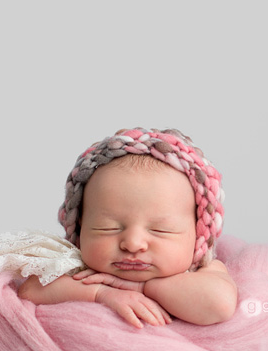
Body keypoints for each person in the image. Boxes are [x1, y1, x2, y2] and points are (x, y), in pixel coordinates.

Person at [18, 128, 238, 327]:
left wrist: (141, 288)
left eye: (161, 230)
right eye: (107, 228)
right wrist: (101, 293)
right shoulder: (78, 269)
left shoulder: (202, 271)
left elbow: (220, 305)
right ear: (79, 227)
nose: (132, 244)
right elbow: (31, 290)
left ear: (199, 235)